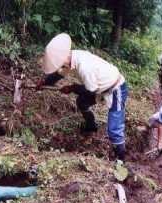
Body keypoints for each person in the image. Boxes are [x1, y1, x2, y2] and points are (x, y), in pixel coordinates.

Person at [36, 33, 128, 161]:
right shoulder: (72, 57)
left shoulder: (84, 67)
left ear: (63, 59)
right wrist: (44, 83)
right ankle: (91, 127)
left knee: (114, 129)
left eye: (59, 64)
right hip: (100, 87)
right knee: (82, 102)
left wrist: (73, 88)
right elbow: (59, 75)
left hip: (115, 88)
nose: (59, 67)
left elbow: (92, 90)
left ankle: (121, 160)